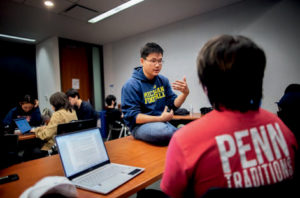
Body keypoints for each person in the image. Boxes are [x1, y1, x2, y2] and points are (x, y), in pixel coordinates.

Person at [161, 35, 298, 197]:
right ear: (258, 79)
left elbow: (172, 193)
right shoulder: (284, 130)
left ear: (205, 85)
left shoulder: (183, 141)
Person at [121, 42, 189, 145]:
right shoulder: (131, 85)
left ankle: (181, 132)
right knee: (163, 131)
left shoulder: (163, 80)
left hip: (161, 123)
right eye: (153, 61)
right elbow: (133, 117)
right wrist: (160, 118)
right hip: (140, 126)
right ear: (142, 61)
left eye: (160, 61)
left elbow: (173, 104)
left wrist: (184, 94)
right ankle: (183, 132)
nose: (157, 65)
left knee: (164, 130)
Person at [30, 92, 77, 158]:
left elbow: (46, 135)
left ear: (56, 104)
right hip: (67, 145)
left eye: (51, 104)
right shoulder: (72, 111)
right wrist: (45, 127)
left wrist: (36, 130)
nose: (51, 106)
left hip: (54, 147)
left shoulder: (57, 114)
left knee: (31, 151)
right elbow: (59, 127)